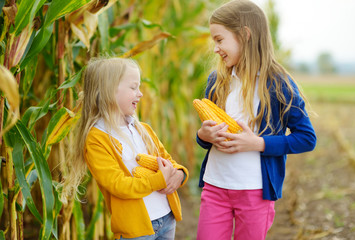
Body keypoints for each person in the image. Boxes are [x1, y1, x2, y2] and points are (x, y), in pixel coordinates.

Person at [196, 1, 316, 239]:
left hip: (255, 191)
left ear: (245, 35)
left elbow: (307, 138)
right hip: (215, 186)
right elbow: (206, 136)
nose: (215, 49)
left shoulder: (278, 84)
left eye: (219, 40)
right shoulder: (217, 80)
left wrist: (258, 144)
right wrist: (203, 136)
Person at [60, 57, 189, 239]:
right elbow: (118, 185)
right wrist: (158, 181)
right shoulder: (97, 139)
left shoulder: (143, 129)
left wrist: (179, 174)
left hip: (167, 219)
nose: (140, 93)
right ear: (110, 91)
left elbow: (167, 160)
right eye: (133, 87)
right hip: (136, 230)